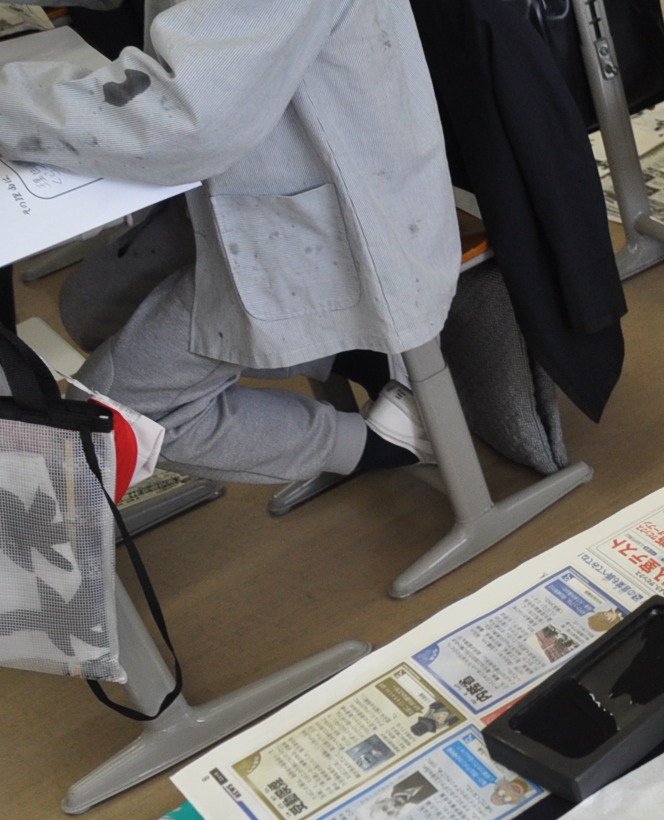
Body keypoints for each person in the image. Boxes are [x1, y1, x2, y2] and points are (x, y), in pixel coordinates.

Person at [0, 0, 461, 485]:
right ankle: (370, 357)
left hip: (333, 226)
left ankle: (387, 443)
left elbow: (184, 121)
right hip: (246, 186)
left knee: (111, 420)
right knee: (93, 305)